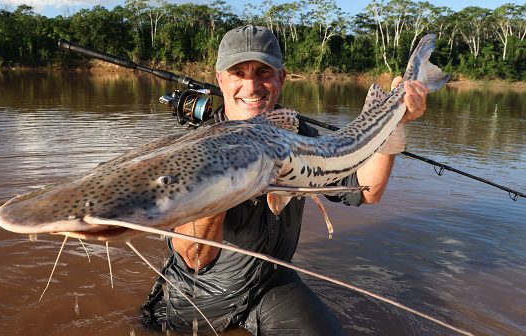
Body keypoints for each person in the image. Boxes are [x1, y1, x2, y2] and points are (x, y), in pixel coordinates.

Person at [142, 25, 427, 335]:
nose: (251, 87)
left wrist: (394, 121)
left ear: (282, 78)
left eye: (264, 72)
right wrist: (218, 177)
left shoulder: (301, 138)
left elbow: (367, 191)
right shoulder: (193, 151)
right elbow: (194, 258)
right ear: (220, 79)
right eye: (238, 73)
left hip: (272, 282)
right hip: (200, 293)